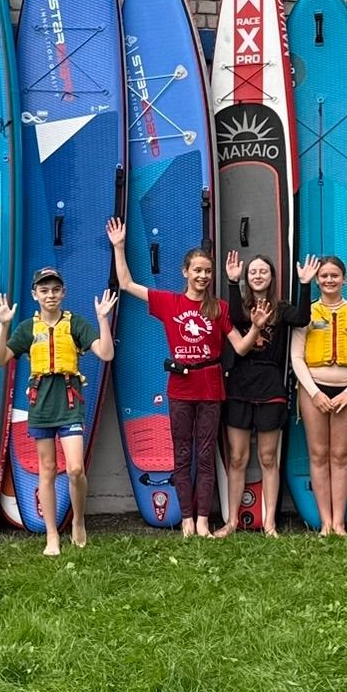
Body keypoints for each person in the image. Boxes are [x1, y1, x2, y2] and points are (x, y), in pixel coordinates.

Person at [106, 218, 268, 538]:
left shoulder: (219, 308)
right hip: (180, 387)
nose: (203, 276)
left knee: (205, 456)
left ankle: (204, 520)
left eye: (207, 271)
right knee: (182, 455)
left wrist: (256, 327)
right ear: (185, 272)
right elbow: (126, 283)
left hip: (210, 388)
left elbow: (240, 346)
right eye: (197, 270)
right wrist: (119, 247)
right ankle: (187, 520)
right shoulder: (169, 303)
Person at [0, 269, 116, 556]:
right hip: (41, 406)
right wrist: (4, 325)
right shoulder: (27, 328)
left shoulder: (75, 324)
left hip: (69, 404)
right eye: (44, 290)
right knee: (46, 470)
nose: (50, 295)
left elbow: (106, 353)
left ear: (63, 293)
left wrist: (102, 319)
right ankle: (51, 535)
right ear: (35, 294)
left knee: (75, 469)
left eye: (55, 290)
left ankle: (78, 521)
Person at [217, 251, 319, 537]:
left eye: (263, 271)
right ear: (247, 278)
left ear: (272, 276)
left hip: (271, 388)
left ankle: (270, 523)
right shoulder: (240, 307)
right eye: (253, 272)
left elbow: (302, 318)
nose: (258, 276)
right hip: (239, 388)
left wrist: (305, 284)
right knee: (238, 458)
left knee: (268, 458)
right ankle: (232, 522)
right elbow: (234, 317)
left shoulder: (282, 308)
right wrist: (232, 282)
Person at [289, 256, 347, 536]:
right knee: (318, 454)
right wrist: (314, 393)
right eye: (324, 276)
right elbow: (296, 357)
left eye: (334, 275)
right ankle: (325, 522)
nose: (329, 280)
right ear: (317, 281)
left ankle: (339, 522)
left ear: (344, 279)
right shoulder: (307, 314)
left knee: (340, 455)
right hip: (313, 391)